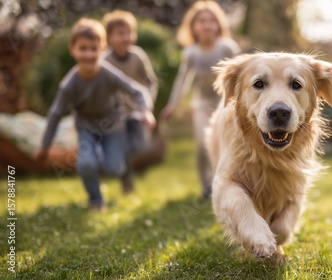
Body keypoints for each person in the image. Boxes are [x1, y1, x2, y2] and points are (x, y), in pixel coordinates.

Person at [35, 18, 155, 212]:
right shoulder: (69, 84)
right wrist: (45, 146)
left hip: (113, 125)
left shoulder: (108, 73)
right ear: (72, 49)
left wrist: (146, 111)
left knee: (115, 168)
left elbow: (138, 91)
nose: (89, 54)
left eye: (94, 48)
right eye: (83, 48)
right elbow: (55, 114)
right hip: (87, 126)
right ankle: (96, 200)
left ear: (102, 49)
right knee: (86, 165)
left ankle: (101, 155)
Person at [161, 0, 240, 199]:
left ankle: (226, 182)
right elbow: (182, 80)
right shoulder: (191, 53)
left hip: (226, 103)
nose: (206, 25)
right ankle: (207, 185)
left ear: (219, 25)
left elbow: (240, 76)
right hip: (203, 104)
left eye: (211, 21)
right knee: (203, 144)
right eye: (201, 21)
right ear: (193, 26)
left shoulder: (227, 48)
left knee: (225, 143)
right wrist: (173, 105)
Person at [102, 10, 159, 194]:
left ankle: (132, 167)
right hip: (115, 113)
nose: (126, 37)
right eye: (120, 33)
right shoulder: (104, 61)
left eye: (129, 32)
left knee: (141, 146)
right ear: (109, 37)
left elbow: (151, 82)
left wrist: (147, 108)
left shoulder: (137, 56)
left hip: (137, 110)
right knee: (122, 146)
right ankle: (126, 181)